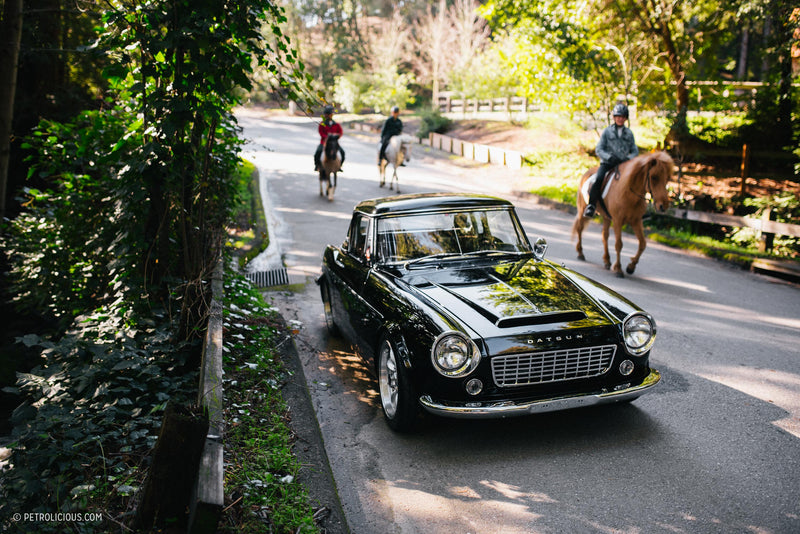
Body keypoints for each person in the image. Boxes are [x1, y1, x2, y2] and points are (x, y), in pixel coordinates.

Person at [584, 103, 638, 218]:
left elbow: (634, 150)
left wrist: (628, 159)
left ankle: (638, 209)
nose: (620, 119)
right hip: (608, 163)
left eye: (623, 117)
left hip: (623, 165)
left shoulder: (629, 133)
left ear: (625, 118)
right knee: (598, 179)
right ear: (614, 117)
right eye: (618, 116)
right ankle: (591, 205)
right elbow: (599, 149)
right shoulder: (607, 132)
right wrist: (609, 157)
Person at [314, 104, 345, 171]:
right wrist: (328, 136)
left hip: (334, 142)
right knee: (318, 152)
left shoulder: (336, 124)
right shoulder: (322, 124)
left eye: (330, 114)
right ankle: (317, 165)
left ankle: (339, 166)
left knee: (342, 152)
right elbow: (321, 133)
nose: (328, 116)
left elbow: (340, 132)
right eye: (327, 114)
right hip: (324, 142)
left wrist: (335, 136)